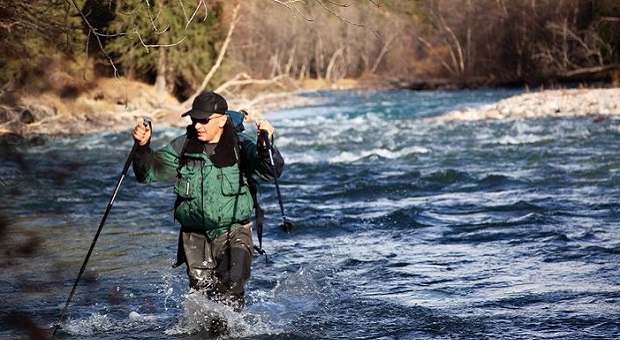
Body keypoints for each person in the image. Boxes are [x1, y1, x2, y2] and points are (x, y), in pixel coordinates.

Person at [131, 92, 284, 314]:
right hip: (194, 240)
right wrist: (143, 147)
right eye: (194, 119)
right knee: (204, 306)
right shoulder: (183, 146)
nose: (198, 125)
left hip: (234, 232)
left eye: (204, 120)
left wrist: (264, 144)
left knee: (230, 288)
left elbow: (271, 172)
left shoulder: (241, 146)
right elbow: (147, 173)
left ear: (222, 120)